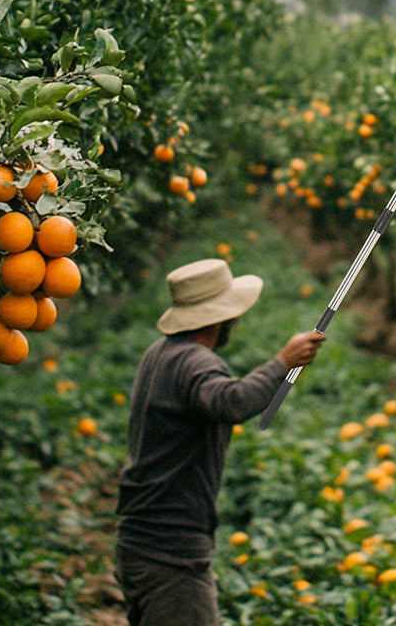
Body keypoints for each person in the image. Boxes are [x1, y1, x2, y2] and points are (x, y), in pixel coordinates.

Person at [114, 257, 326, 626]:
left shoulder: (160, 353)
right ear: (219, 317)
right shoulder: (195, 361)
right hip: (170, 552)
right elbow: (231, 402)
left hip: (140, 541)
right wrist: (282, 363)